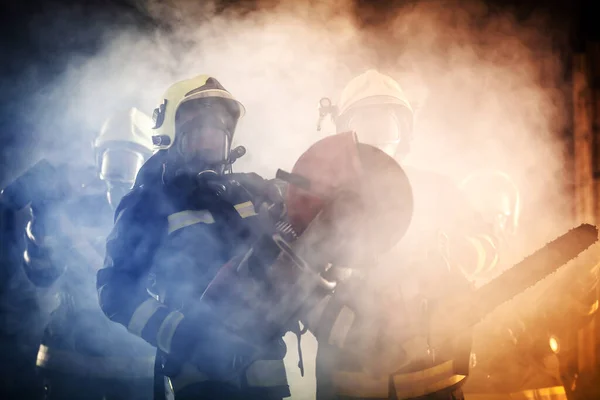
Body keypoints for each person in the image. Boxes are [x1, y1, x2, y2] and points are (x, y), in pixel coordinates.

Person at [304, 69, 501, 400]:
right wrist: (348, 331)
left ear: (404, 131)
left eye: (387, 123)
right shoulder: (320, 198)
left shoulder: (437, 189)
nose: (377, 134)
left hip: (435, 380)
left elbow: (491, 246)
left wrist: (456, 257)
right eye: (365, 123)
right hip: (350, 383)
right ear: (345, 132)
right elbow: (296, 283)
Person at [96, 75, 292, 400]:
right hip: (198, 378)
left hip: (265, 376)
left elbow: (288, 254)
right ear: (171, 137)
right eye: (198, 132)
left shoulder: (250, 192)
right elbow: (113, 289)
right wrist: (187, 337)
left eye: (218, 133)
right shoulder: (147, 202)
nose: (210, 142)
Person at [22, 107, 157, 400]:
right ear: (100, 163)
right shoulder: (76, 212)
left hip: (136, 371)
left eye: (129, 162)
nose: (120, 179)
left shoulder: (160, 220)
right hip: (67, 367)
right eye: (113, 162)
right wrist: (40, 229)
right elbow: (42, 275)